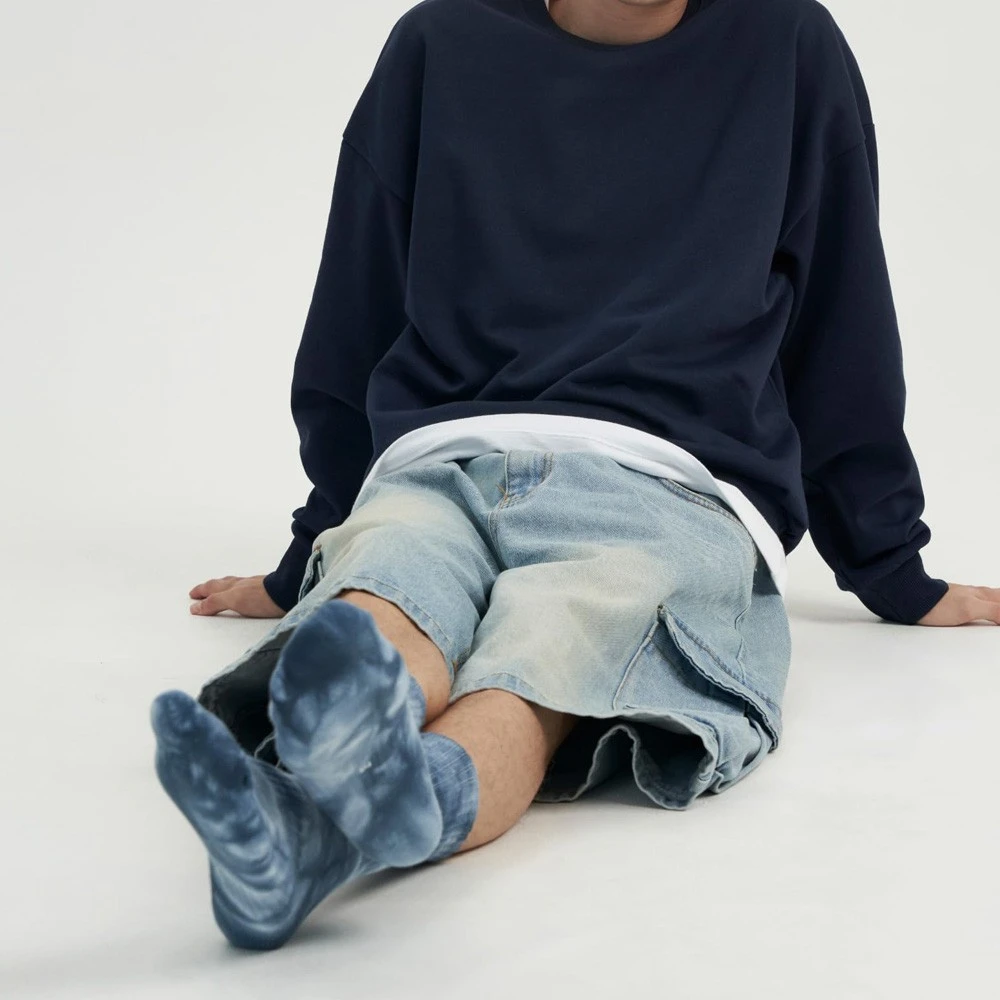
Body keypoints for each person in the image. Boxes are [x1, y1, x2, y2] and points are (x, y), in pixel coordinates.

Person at [150, 0, 999, 952]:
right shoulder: (441, 42)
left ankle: (324, 832)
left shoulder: (787, 43)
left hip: (670, 487)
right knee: (394, 589)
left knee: (536, 655)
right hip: (450, 460)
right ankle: (324, 803)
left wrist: (893, 566)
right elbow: (357, 306)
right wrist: (312, 546)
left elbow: (843, 314)